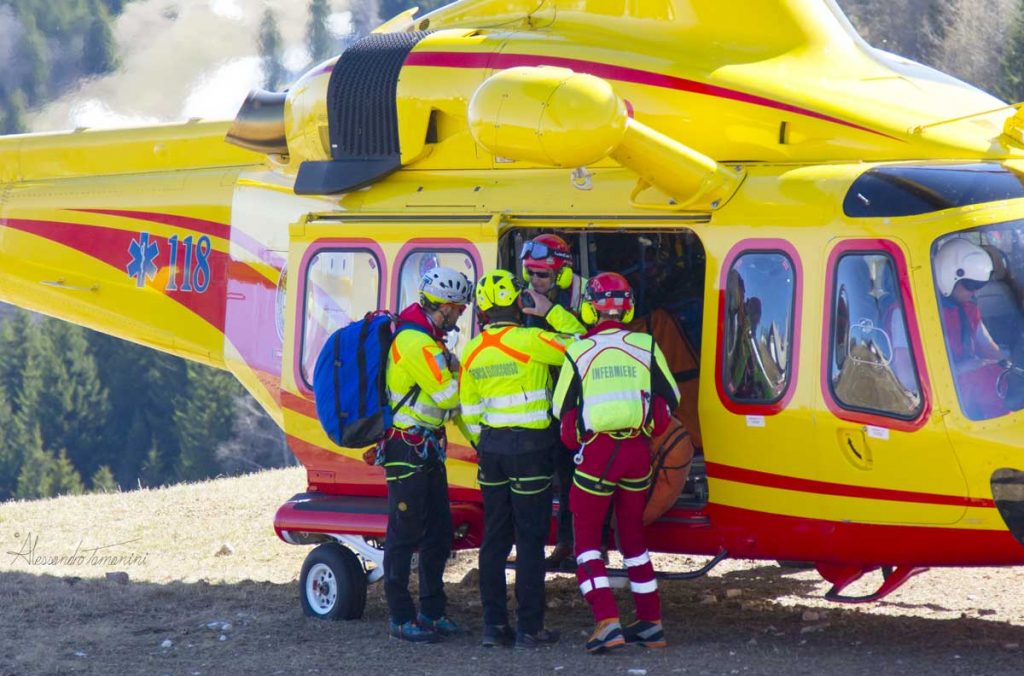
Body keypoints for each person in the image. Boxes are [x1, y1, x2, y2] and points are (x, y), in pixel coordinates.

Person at [551, 272, 680, 653]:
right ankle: (651, 623)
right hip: (638, 452)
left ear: (590, 308)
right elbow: (671, 397)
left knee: (587, 545)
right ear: (628, 309)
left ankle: (607, 622)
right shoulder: (646, 344)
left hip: (598, 454)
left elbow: (561, 409)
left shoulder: (579, 349)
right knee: (634, 541)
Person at [459, 270, 572, 649]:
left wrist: (486, 443)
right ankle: (529, 628)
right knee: (529, 539)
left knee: (494, 538)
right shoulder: (531, 339)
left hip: (491, 452)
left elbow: (469, 411)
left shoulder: (471, 351)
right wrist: (551, 311)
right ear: (517, 303)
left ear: (485, 311)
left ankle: (493, 626)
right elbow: (583, 345)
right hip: (531, 451)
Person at [382, 266, 472, 642]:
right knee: (403, 534)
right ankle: (401, 617)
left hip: (428, 447)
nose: (461, 315)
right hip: (407, 449)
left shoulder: (431, 341)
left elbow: (446, 402)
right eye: (459, 309)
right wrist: (458, 371)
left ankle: (433, 611)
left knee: (439, 532)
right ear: (445, 307)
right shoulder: (416, 343)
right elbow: (449, 397)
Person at [518, 234, 586, 568]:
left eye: (542, 274)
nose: (534, 281)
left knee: (581, 478)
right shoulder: (527, 296)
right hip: (548, 404)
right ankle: (561, 542)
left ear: (561, 273)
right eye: (530, 273)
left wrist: (551, 312)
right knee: (553, 472)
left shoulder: (588, 295)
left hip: (585, 402)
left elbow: (589, 343)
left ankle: (584, 546)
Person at [935, 238, 1009, 420]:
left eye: (980, 286)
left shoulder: (968, 308)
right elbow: (908, 378)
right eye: (970, 285)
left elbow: (987, 346)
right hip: (943, 398)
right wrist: (961, 369)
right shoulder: (914, 311)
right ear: (947, 276)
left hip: (971, 389)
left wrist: (1010, 367)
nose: (974, 292)